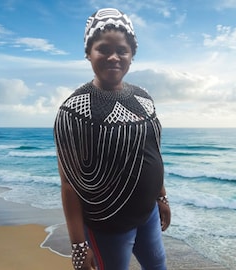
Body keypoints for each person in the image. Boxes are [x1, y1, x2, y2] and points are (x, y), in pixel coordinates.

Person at [54, 7, 171, 270]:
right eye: (103, 49)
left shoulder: (143, 98)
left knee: (158, 266)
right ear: (88, 53)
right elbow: (69, 184)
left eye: (122, 50)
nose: (114, 57)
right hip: (108, 225)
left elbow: (153, 153)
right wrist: (78, 245)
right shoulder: (74, 111)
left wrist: (161, 197)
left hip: (148, 215)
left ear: (132, 55)